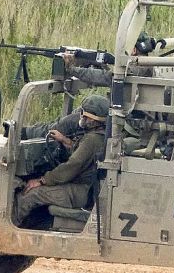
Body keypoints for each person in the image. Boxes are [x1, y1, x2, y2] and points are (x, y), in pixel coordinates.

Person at [13, 94, 109, 227]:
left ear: (93, 120)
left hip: (80, 191)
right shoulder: (100, 137)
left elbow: (72, 166)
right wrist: (65, 141)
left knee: (30, 194)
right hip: (87, 189)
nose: (81, 117)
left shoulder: (91, 140)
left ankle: (6, 232)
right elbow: (83, 156)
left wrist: (42, 180)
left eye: (84, 115)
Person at [62, 32, 158, 87]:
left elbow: (106, 77)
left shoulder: (138, 67)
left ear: (133, 50)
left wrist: (72, 68)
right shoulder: (146, 64)